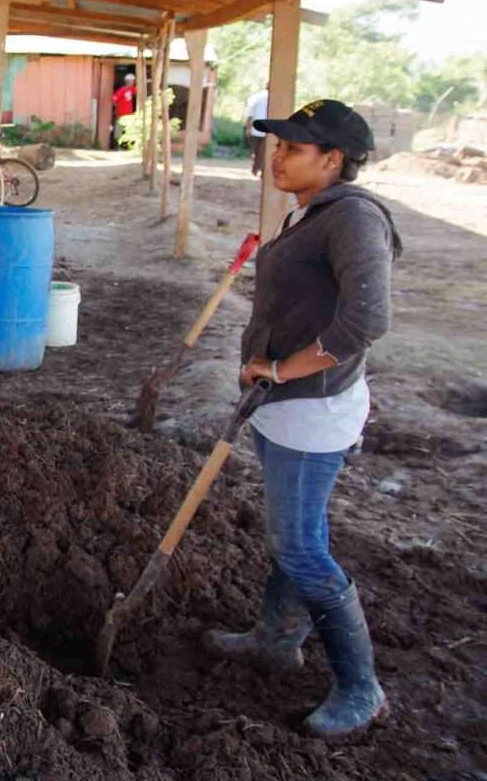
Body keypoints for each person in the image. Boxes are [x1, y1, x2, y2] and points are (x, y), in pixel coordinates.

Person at [203, 99, 400, 739]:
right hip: (285, 408)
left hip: (313, 412)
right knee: (294, 534)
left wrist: (283, 370)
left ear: (333, 159)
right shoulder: (312, 211)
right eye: (276, 145)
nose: (275, 157)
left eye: (292, 148)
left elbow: (367, 321)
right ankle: (274, 637)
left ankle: (361, 687)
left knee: (300, 547)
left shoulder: (353, 219)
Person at [245, 86, 269, 176]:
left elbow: (249, 114)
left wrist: (248, 127)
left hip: (255, 128)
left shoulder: (256, 97)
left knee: (255, 151)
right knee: (263, 151)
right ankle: (261, 169)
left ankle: (255, 169)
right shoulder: (275, 98)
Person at [111, 72, 137, 149]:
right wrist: (117, 107)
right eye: (132, 81)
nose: (133, 83)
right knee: (119, 132)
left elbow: (138, 90)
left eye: (133, 81)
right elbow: (114, 99)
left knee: (128, 132)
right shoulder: (122, 90)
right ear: (128, 81)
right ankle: (118, 147)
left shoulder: (131, 89)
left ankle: (127, 147)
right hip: (121, 115)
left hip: (129, 115)